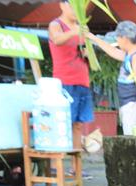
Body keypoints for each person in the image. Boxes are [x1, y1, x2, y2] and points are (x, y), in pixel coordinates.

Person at [86, 21, 136, 135]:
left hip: (134, 107)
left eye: (118, 38)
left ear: (125, 38)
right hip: (129, 107)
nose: (117, 41)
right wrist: (93, 38)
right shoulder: (129, 55)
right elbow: (113, 51)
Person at [47, 0, 93, 151]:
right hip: (64, 81)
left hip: (83, 81)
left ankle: (77, 168)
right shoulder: (56, 24)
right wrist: (75, 31)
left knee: (78, 124)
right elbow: (56, 39)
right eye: (72, 6)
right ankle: (56, 165)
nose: (76, 10)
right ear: (62, 5)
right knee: (62, 123)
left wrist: (88, 54)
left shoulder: (81, 28)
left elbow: (86, 54)